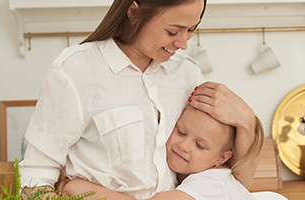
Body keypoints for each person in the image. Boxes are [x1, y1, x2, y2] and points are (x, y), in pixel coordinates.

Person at [18, 0, 258, 199]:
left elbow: (225, 184)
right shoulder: (77, 69)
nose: (183, 43)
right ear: (134, 12)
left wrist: (247, 121)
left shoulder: (187, 74)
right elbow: (36, 175)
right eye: (172, 31)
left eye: (191, 30)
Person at [58, 106, 264, 200]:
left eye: (200, 146)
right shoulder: (183, 176)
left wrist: (79, 188)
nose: (184, 146)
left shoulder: (213, 181)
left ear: (221, 159)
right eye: (181, 132)